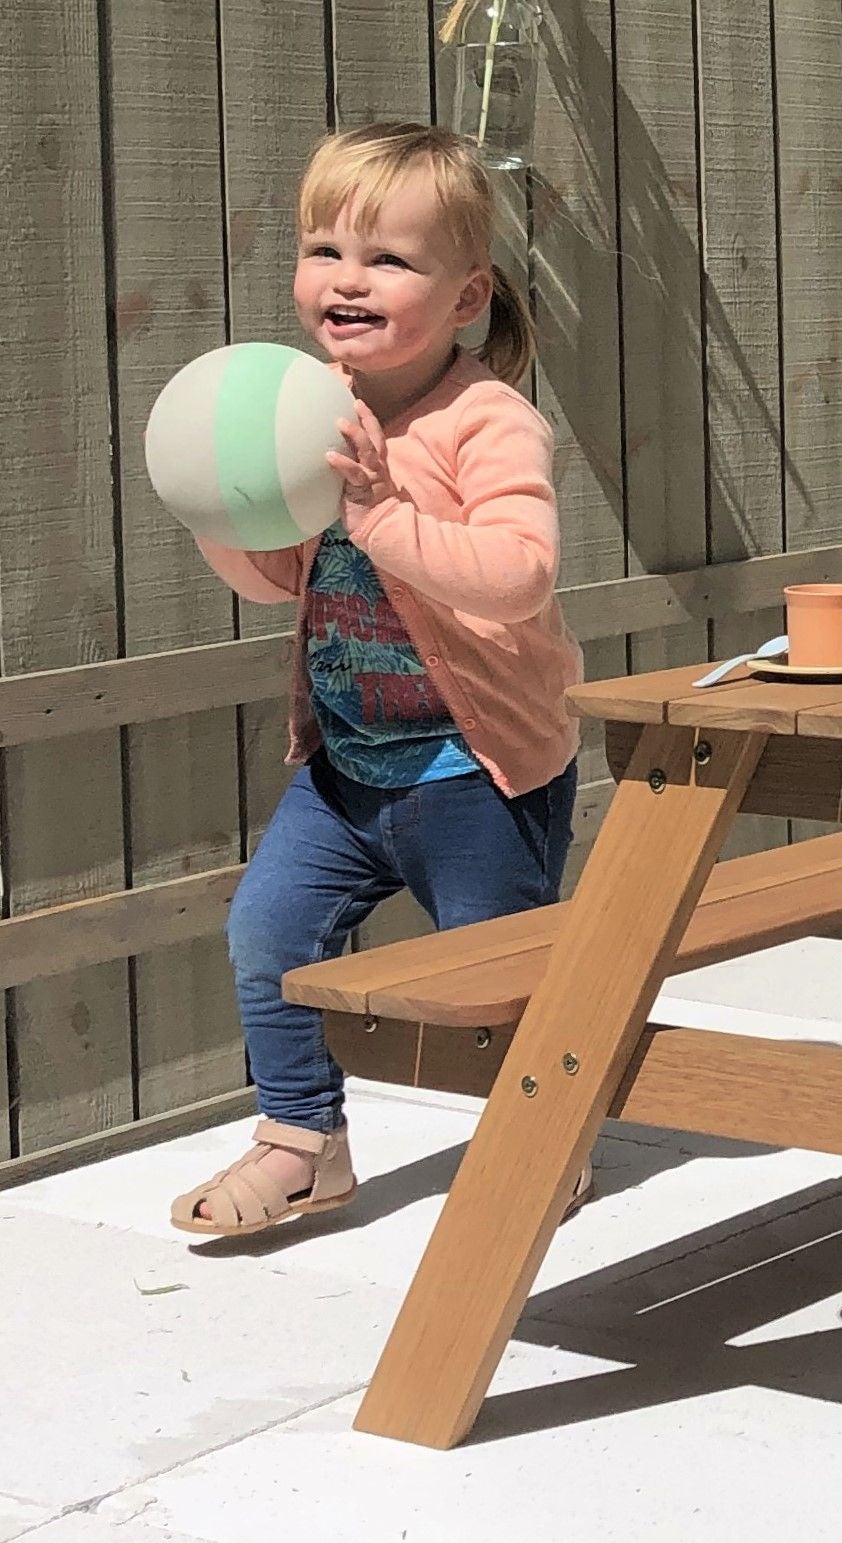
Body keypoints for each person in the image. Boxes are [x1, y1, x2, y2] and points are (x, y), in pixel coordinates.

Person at [169, 124, 584, 1237]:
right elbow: (271, 579)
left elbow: (520, 574)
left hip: (476, 768)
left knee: (499, 979)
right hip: (350, 762)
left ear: (465, 297)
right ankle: (302, 1142)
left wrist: (383, 514)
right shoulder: (303, 406)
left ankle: (545, 1132)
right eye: (323, 249)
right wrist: (221, 499)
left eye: (390, 258)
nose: (347, 278)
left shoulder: (484, 419)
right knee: (268, 932)